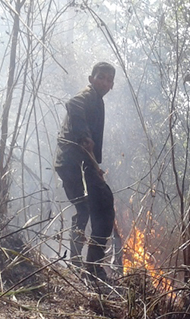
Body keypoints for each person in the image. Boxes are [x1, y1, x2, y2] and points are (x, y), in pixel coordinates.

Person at [54, 62, 116, 282]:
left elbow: (92, 140)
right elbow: (73, 105)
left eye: (109, 79)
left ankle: (89, 264)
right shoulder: (86, 96)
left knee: (102, 205)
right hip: (71, 161)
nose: (104, 82)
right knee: (84, 207)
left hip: (85, 162)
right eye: (101, 77)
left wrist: (95, 167)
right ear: (91, 79)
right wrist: (82, 136)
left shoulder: (98, 102)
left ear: (112, 85)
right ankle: (80, 263)